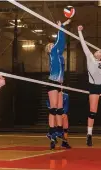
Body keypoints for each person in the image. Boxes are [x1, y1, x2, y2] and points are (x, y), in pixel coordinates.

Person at [45, 19, 70, 150]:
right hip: (52, 82)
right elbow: (59, 42)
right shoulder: (53, 54)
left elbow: (62, 42)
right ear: (49, 50)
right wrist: (60, 27)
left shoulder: (59, 55)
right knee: (54, 108)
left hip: (59, 83)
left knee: (60, 109)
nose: (52, 46)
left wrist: (63, 28)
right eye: (50, 46)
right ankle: (51, 131)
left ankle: (59, 131)